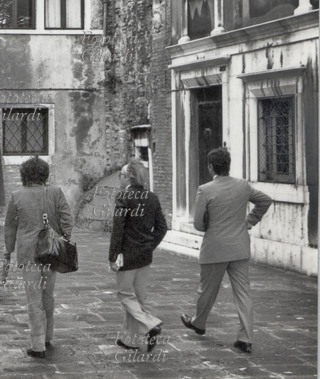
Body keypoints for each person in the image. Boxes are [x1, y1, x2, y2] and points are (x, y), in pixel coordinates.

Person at [181, 147, 272, 354]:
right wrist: (249, 221)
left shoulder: (205, 189)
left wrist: (210, 226)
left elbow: (198, 224)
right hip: (239, 247)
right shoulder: (243, 186)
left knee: (207, 290)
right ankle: (246, 337)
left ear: (211, 166)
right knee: (243, 294)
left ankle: (199, 323)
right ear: (228, 165)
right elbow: (265, 200)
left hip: (214, 249)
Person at [4, 156, 73, 358]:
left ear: (24, 175)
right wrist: (64, 239)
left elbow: (10, 228)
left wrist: (8, 250)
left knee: (33, 300)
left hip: (28, 255)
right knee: (48, 296)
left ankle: (37, 345)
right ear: (45, 174)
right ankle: (48, 336)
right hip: (51, 253)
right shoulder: (55, 193)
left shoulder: (17, 196)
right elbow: (67, 219)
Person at [109, 159, 168, 353]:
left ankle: (150, 323)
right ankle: (130, 340)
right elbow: (162, 227)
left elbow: (118, 231)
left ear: (130, 178)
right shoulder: (152, 197)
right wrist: (150, 244)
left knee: (125, 295)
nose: (120, 179)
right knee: (137, 299)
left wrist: (112, 256)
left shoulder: (124, 197)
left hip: (126, 255)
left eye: (122, 176)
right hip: (145, 255)